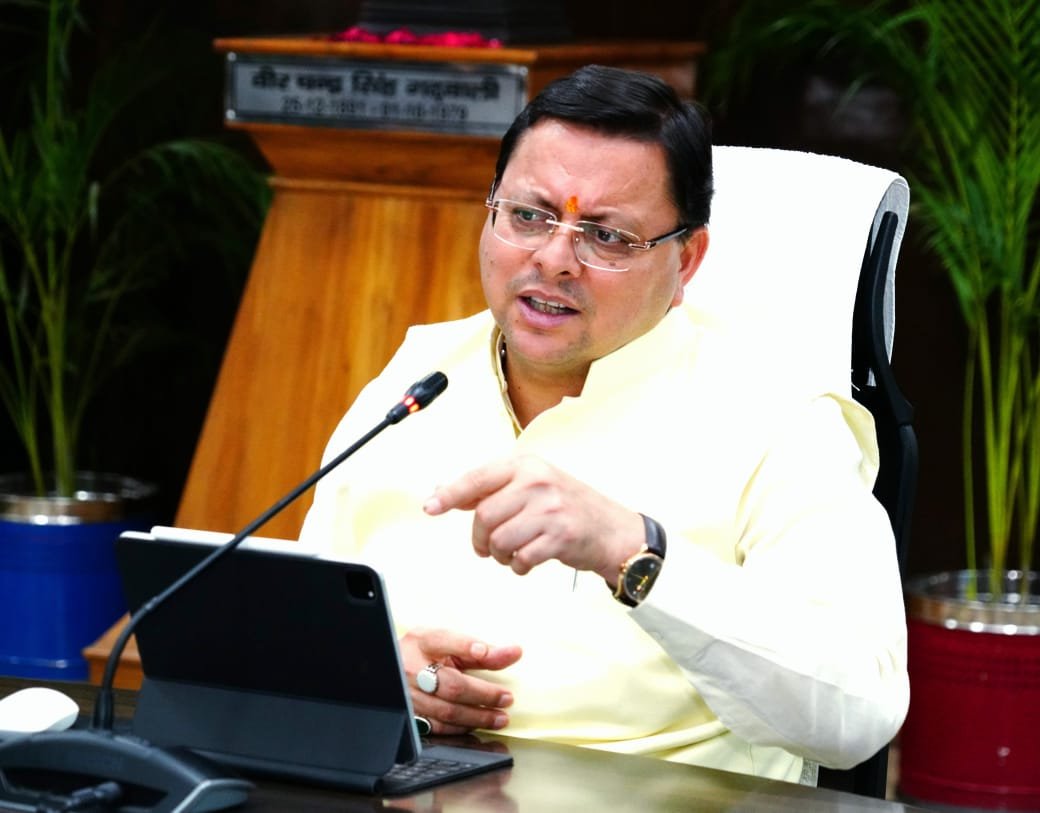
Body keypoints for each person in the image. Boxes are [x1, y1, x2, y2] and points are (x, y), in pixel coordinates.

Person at [299, 64, 908, 784]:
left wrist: (633, 552)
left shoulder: (781, 420)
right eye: (529, 216)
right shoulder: (419, 380)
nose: (554, 259)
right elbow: (302, 622)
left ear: (687, 260)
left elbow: (857, 713)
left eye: (607, 236)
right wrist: (377, 670)